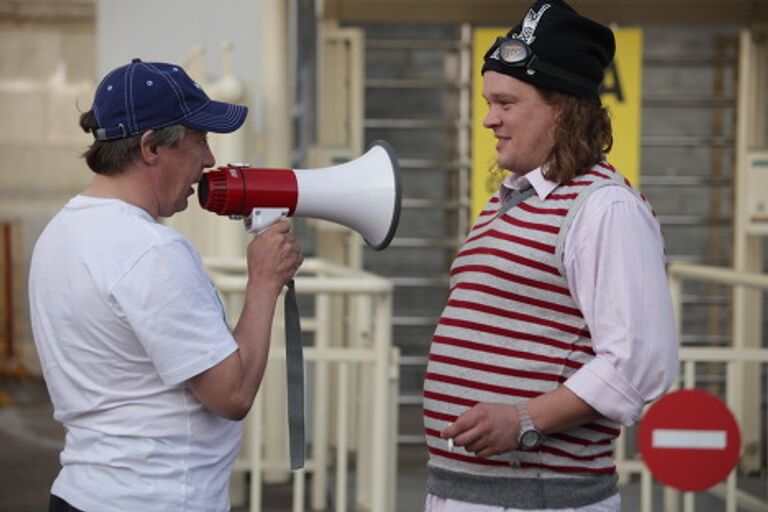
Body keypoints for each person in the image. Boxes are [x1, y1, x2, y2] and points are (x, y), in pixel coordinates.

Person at [422, 1, 678, 510]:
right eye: (487, 102)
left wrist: (524, 419)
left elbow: (637, 365)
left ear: (561, 105)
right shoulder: (508, 201)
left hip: (538, 497)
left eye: (506, 103)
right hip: (475, 492)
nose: (489, 120)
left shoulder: (606, 208)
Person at [28, 58, 302, 512]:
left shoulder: (63, 231)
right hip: (155, 498)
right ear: (151, 147)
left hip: (86, 492)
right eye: (199, 140)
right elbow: (230, 395)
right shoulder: (150, 249)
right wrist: (264, 283)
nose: (210, 160)